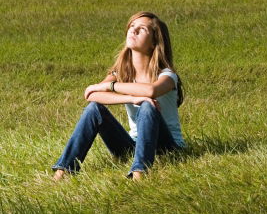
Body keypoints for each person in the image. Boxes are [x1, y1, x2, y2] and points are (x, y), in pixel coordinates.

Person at [52, 11, 186, 182]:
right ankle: (64, 171)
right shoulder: (122, 73)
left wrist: (112, 86)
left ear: (154, 41)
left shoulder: (167, 75)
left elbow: (151, 91)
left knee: (147, 105)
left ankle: (140, 174)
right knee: (95, 109)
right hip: (132, 145)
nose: (133, 31)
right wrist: (130, 98)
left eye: (142, 29)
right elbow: (92, 95)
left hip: (167, 147)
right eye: (132, 26)